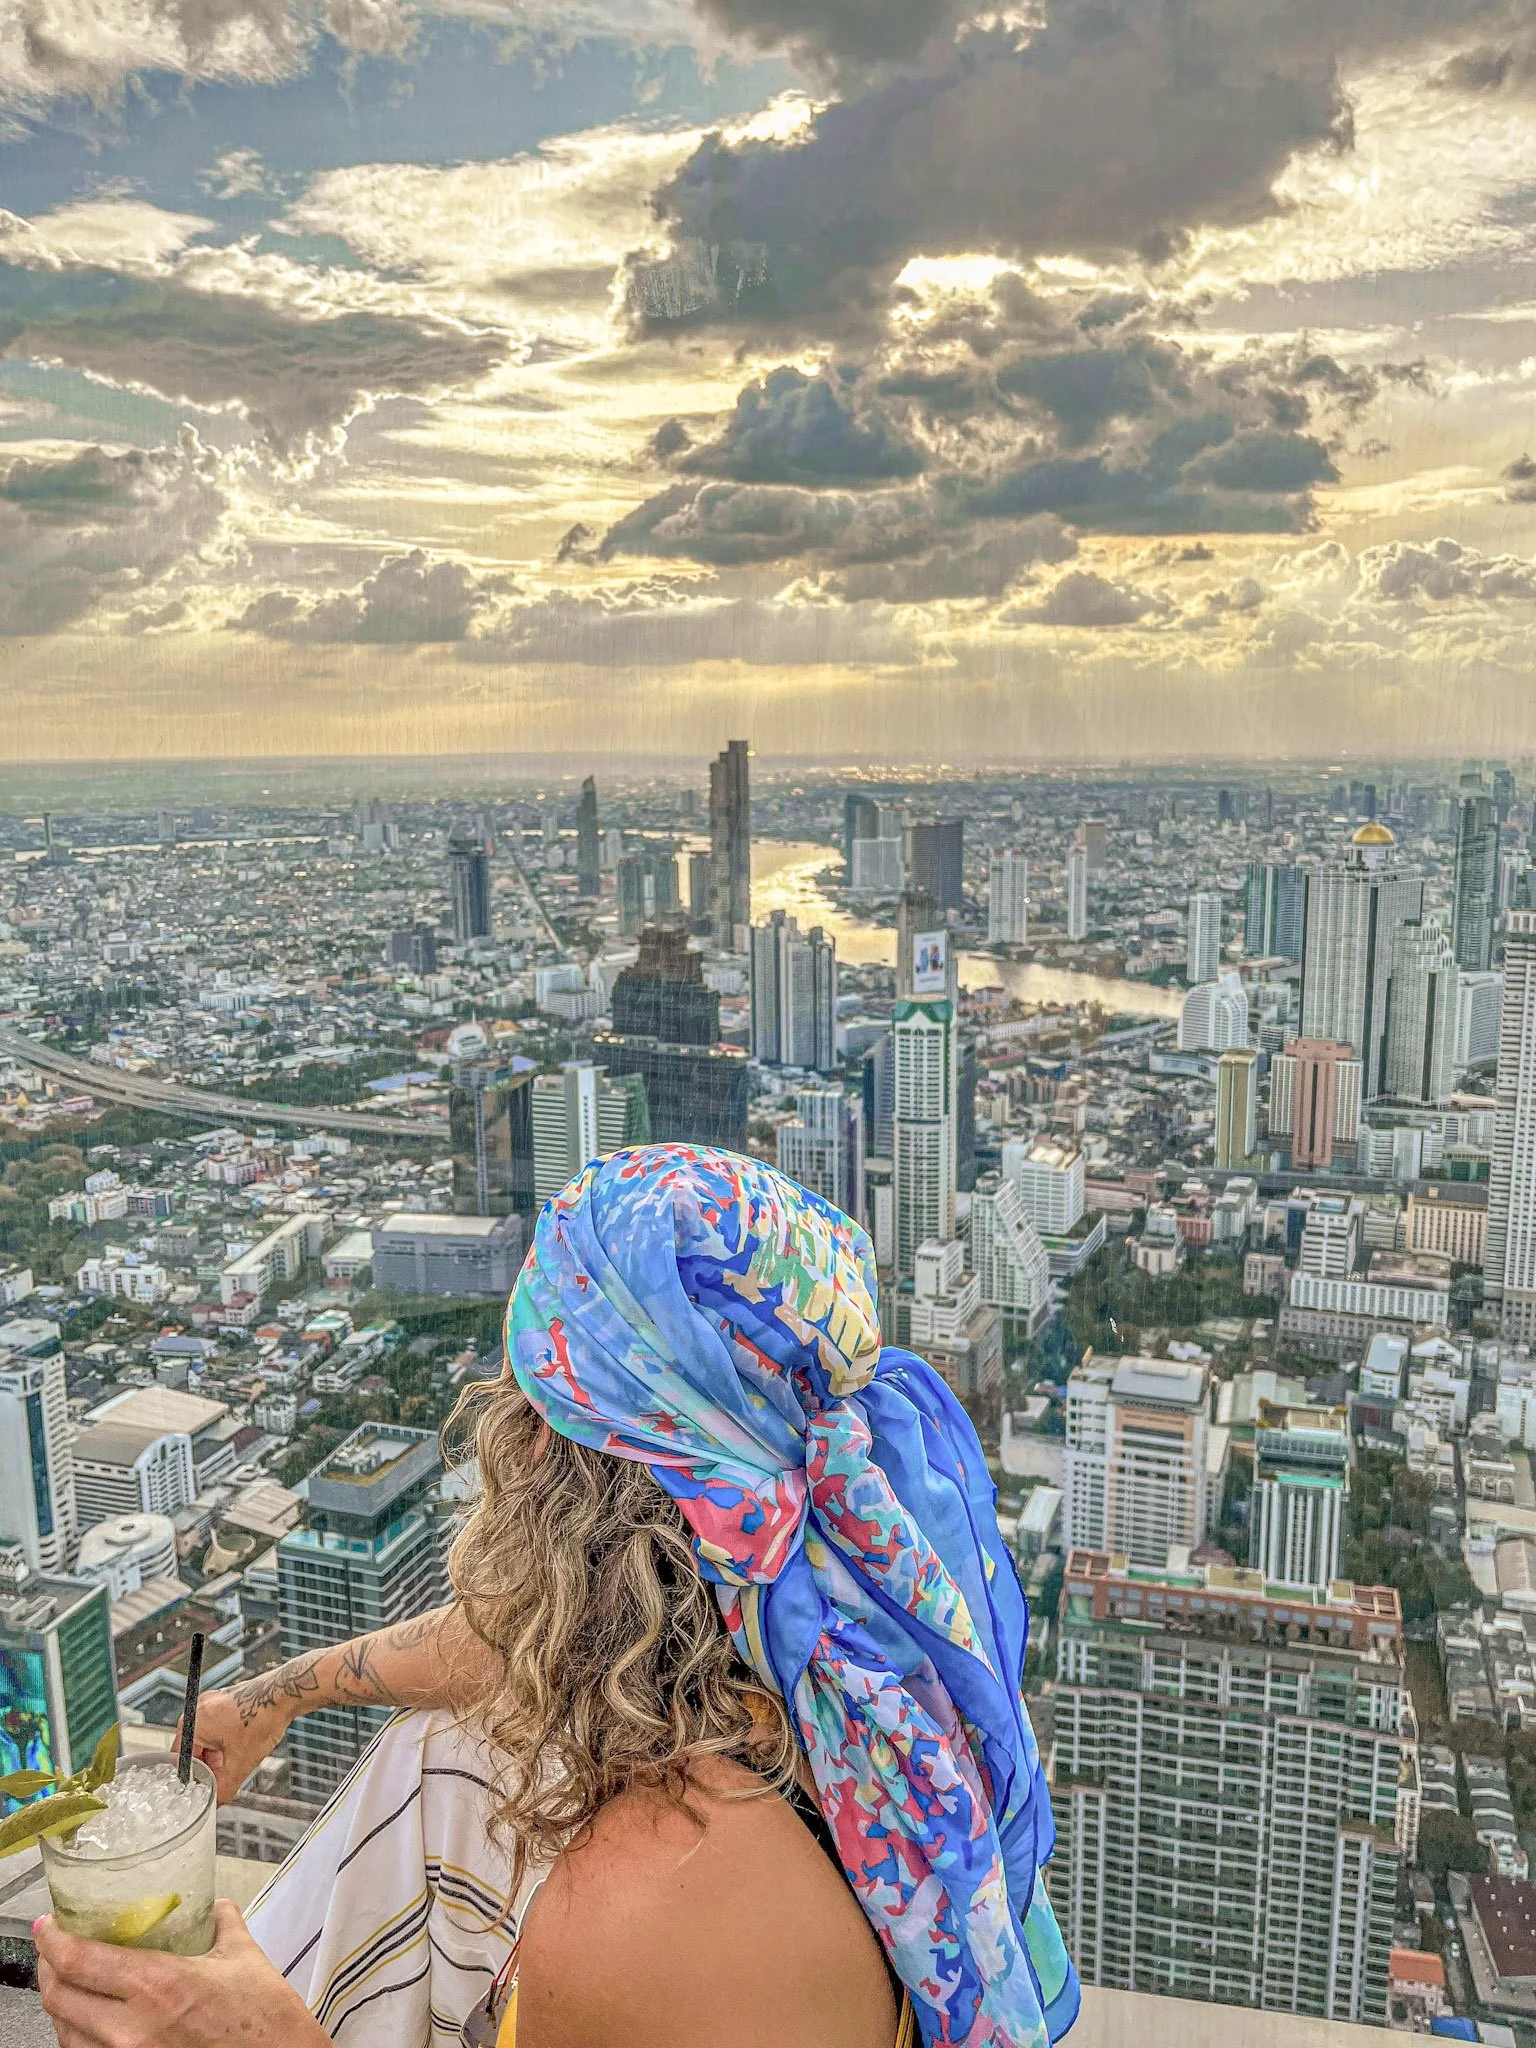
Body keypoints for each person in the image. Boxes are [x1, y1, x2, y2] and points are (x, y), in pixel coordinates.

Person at [36, 1146, 1078, 2048]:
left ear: (560, 1467)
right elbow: (512, 1643)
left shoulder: (651, 1891)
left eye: (524, 1387)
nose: (501, 1412)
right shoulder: (815, 1634)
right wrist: (274, 1696)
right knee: (450, 1744)